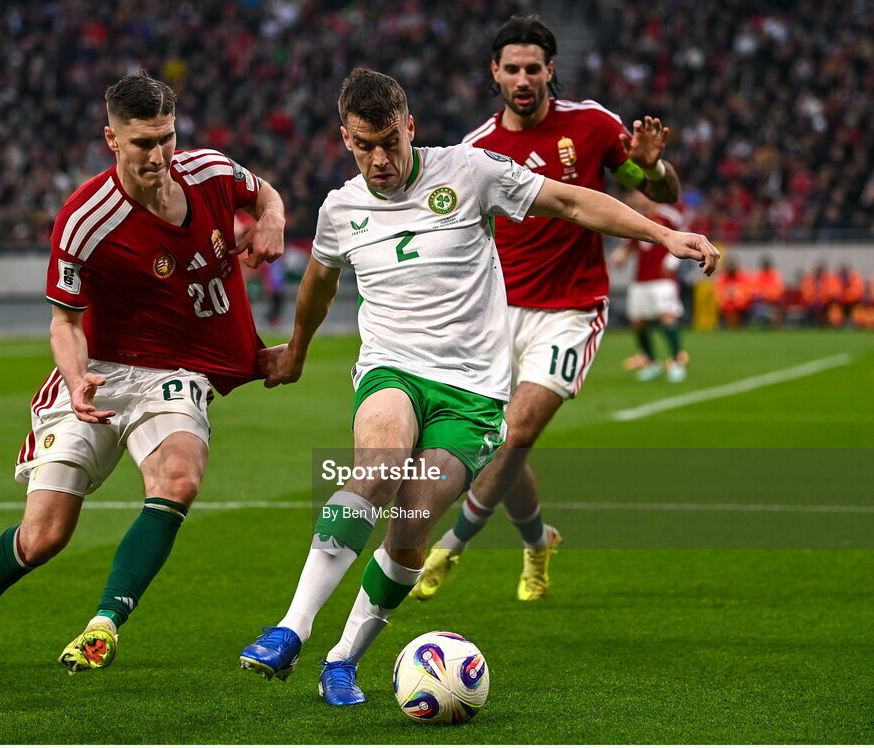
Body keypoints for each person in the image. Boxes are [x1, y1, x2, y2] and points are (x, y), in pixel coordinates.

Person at [237, 68, 718, 706]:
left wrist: (664, 233)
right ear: (345, 139)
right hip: (391, 368)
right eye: (364, 146)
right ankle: (290, 630)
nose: (379, 161)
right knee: (376, 470)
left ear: (410, 127)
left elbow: (572, 202)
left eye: (390, 142)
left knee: (409, 527)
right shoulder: (340, 208)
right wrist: (297, 352)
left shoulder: (469, 170)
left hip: (472, 391)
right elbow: (318, 285)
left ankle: (343, 659)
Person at [0, 72, 285, 675]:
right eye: (143, 143)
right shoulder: (85, 219)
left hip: (172, 371)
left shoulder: (209, 171)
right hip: (97, 372)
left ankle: (104, 623)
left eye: (166, 138)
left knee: (178, 479)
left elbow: (263, 194)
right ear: (112, 139)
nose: (158, 156)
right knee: (44, 537)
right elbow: (64, 324)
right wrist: (75, 380)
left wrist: (273, 216)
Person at [413, 15, 684, 604]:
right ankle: (539, 541)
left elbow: (661, 193)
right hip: (495, 314)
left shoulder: (591, 125)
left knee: (516, 432)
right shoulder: (475, 150)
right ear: (495, 72)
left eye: (532, 68)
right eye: (512, 69)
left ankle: (451, 546)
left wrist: (651, 166)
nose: (523, 79)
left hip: (570, 309)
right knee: (499, 443)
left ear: (549, 71)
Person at [611, 195, 689, 382]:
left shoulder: (669, 216)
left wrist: (672, 261)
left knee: (667, 317)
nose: (638, 196)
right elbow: (629, 244)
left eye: (640, 193)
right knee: (638, 322)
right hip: (640, 279)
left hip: (662, 278)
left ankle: (676, 363)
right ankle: (652, 362)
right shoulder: (635, 217)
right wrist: (621, 255)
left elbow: (685, 236)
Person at [752, 256, 785, 328]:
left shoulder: (775, 275)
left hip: (773, 302)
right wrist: (762, 295)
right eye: (764, 265)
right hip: (760, 302)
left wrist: (765, 295)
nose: (765, 266)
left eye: (766, 265)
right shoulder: (758, 276)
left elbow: (777, 291)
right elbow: (754, 290)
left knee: (777, 306)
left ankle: (775, 325)